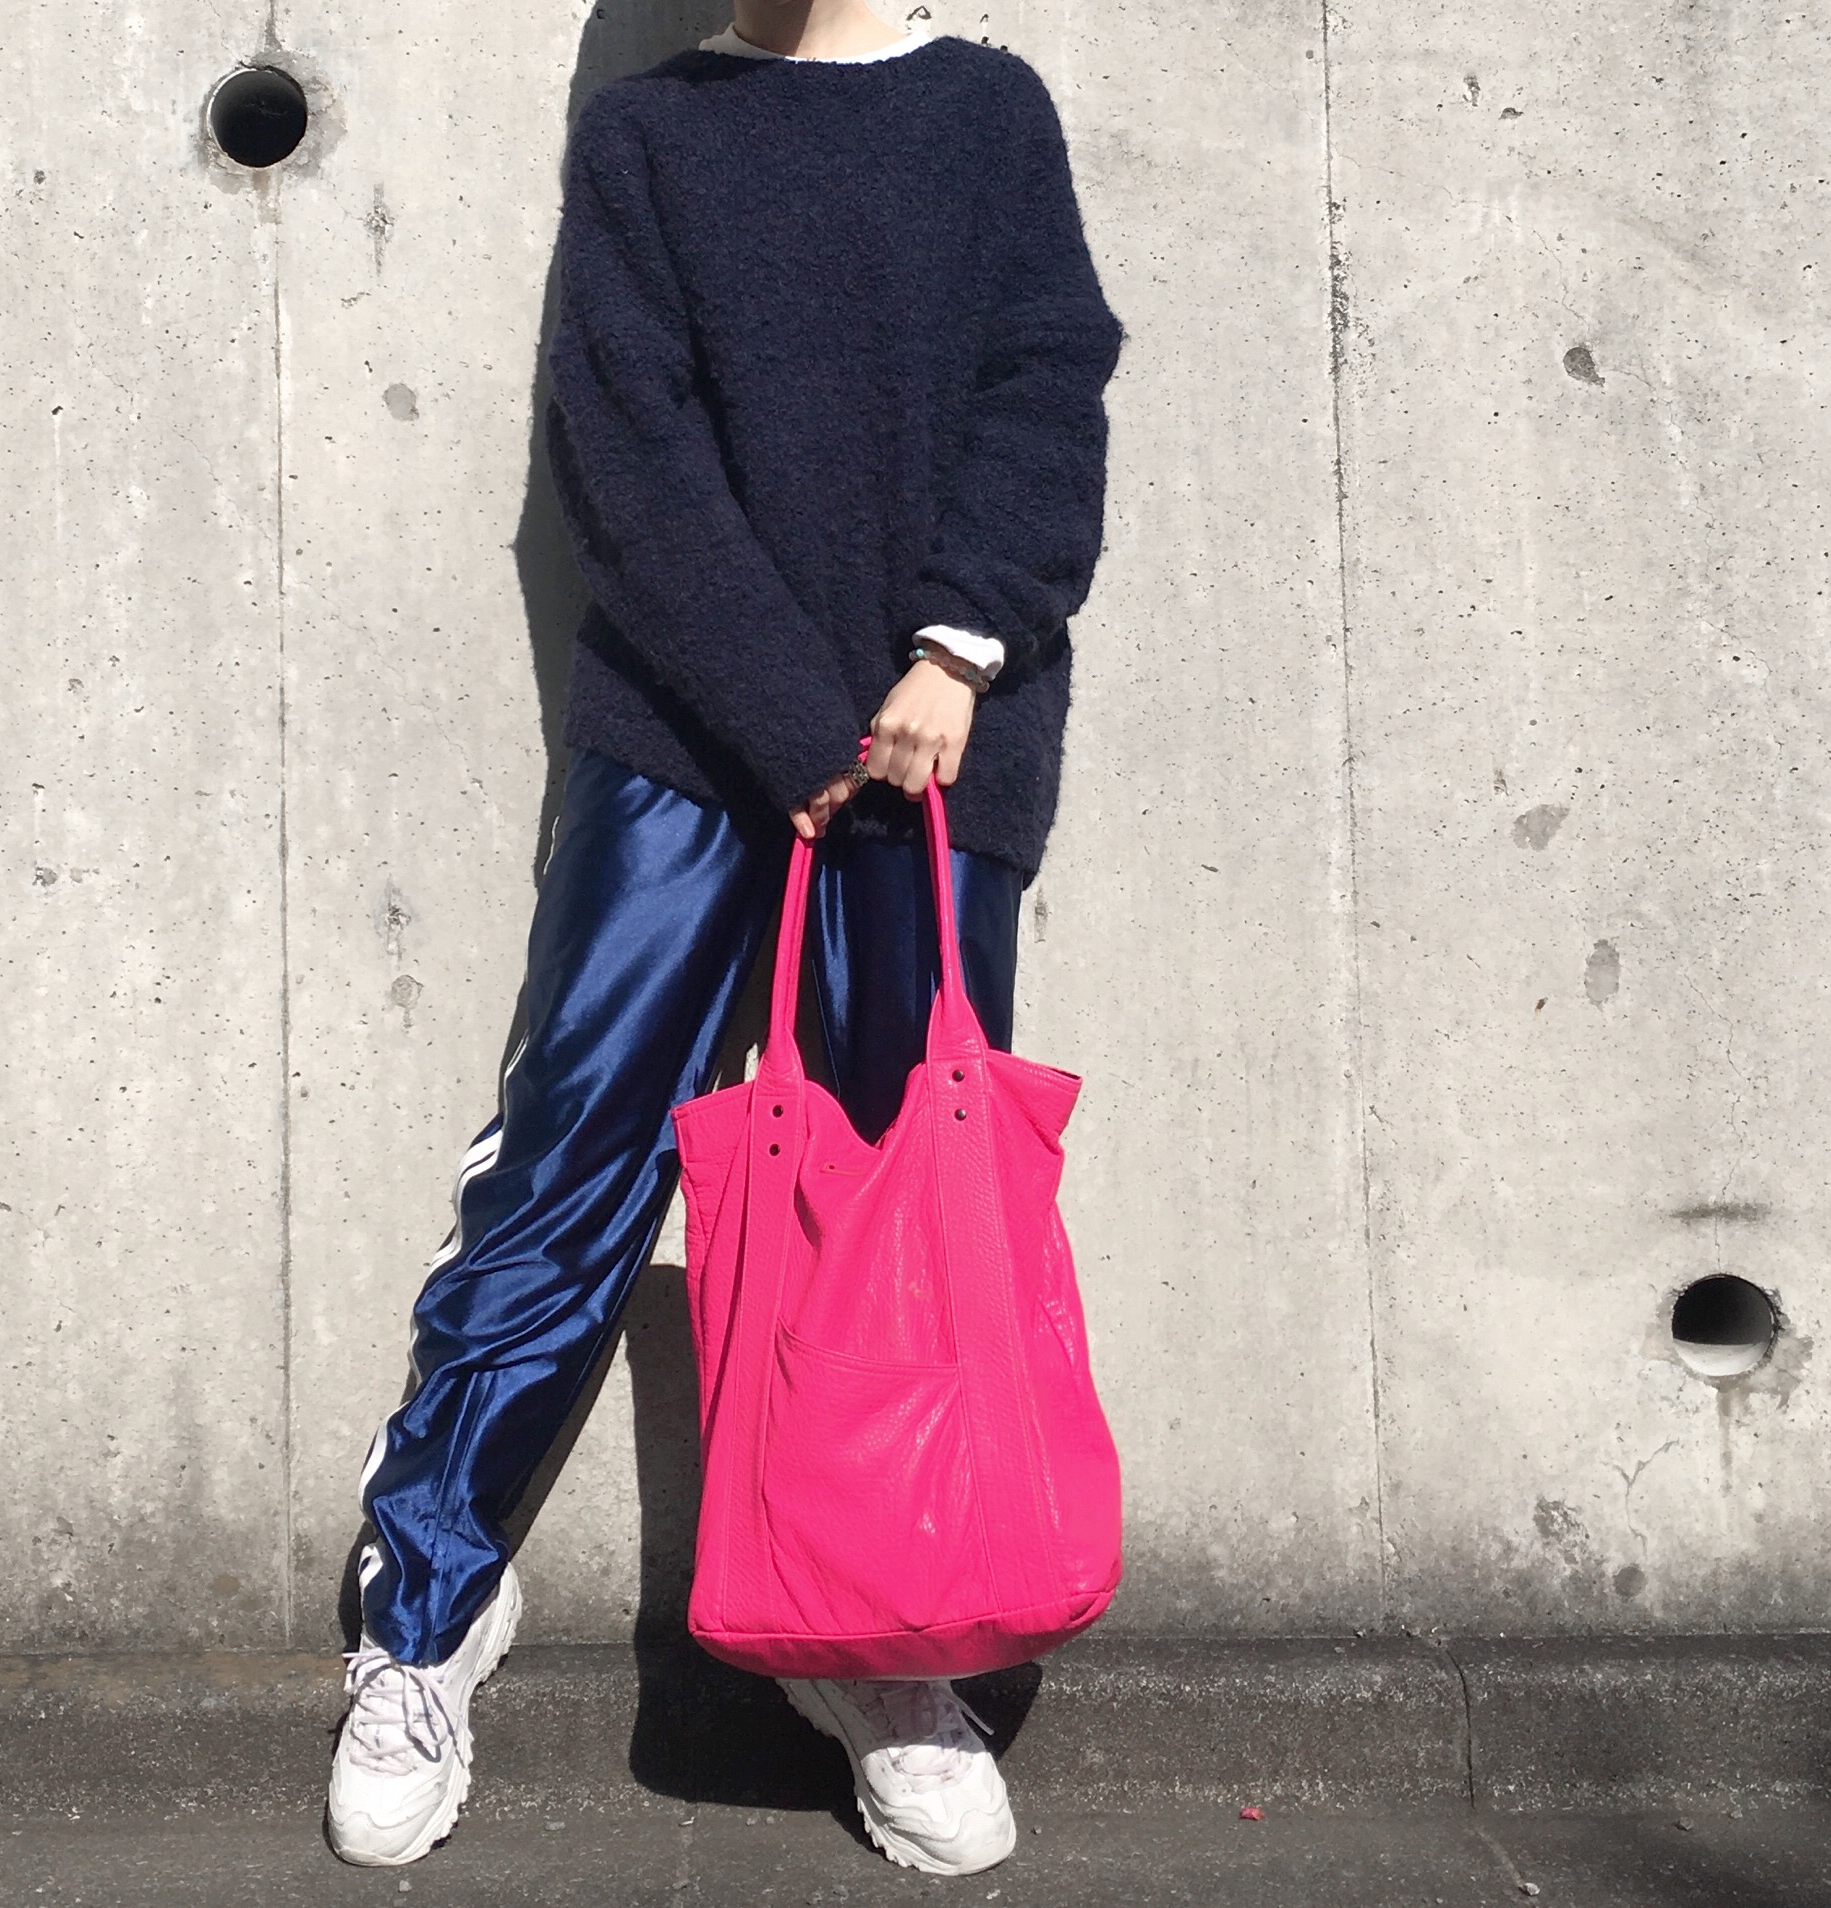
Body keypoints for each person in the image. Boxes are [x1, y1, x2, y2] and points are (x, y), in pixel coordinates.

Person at [326, 0, 1122, 1877]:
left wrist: (956, 649)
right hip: (687, 742)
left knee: (893, 1221)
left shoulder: (984, 112)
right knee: (565, 1170)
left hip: (935, 753)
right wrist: (790, 722)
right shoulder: (652, 132)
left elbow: (1044, 381)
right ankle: (425, 1615)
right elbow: (626, 442)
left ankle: (878, 1650)